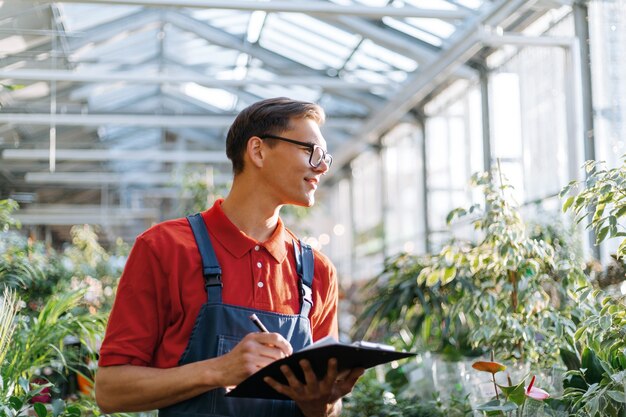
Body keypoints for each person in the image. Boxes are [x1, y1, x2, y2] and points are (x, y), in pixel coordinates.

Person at [95, 97, 364, 417]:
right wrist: (219, 371)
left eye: (325, 158)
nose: (321, 166)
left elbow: (330, 409)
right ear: (258, 150)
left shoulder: (317, 271)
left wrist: (321, 402)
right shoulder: (164, 248)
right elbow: (110, 390)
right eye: (311, 151)